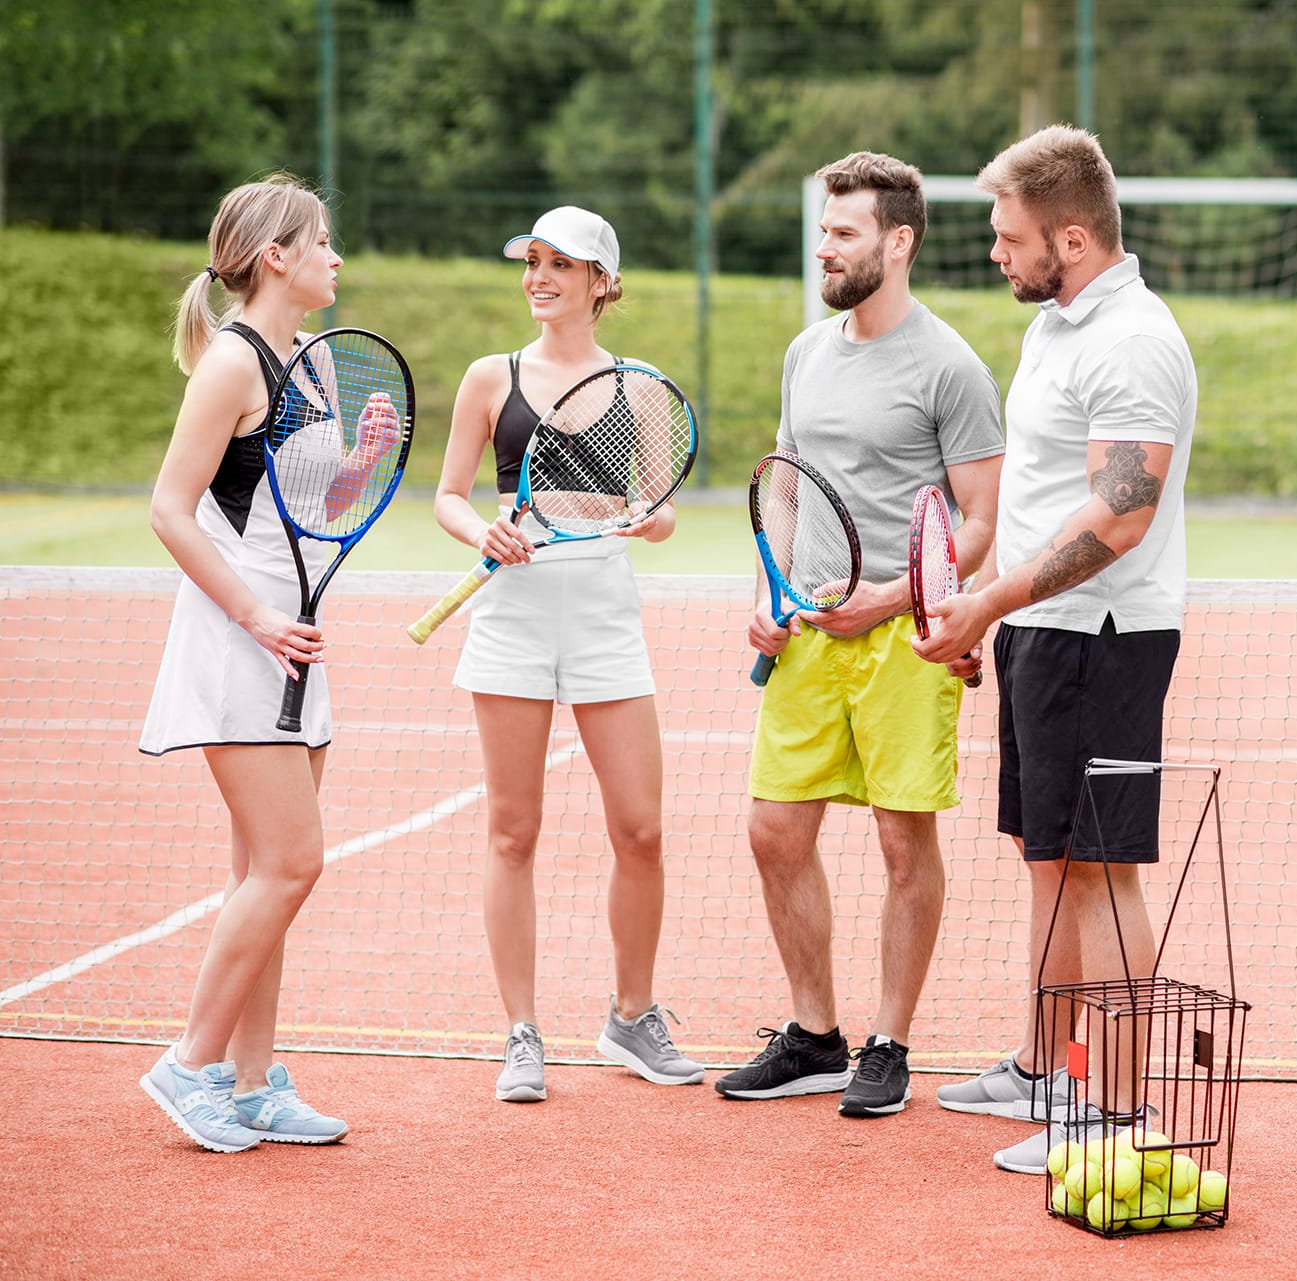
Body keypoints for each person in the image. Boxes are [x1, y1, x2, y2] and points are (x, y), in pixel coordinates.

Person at [912, 125, 1198, 1173]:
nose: (996, 252)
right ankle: (1044, 1067)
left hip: (1103, 636)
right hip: (1045, 626)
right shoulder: (1057, 326)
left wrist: (988, 602)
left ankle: (1115, 1112)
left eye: (1010, 236)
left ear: (1070, 239)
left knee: (1100, 871)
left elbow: (1121, 511)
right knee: (1050, 860)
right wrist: (1001, 611)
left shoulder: (1133, 340)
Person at [719, 151, 1004, 1118]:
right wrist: (772, 591)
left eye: (844, 231)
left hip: (907, 634)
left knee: (898, 839)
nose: (825, 246)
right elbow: (786, 484)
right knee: (773, 831)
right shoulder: (806, 352)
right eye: (824, 228)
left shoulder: (953, 366)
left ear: (899, 240)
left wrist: (891, 597)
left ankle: (890, 1042)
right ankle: (815, 1035)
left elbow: (977, 522)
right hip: (805, 631)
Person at [430, 206, 702, 1102]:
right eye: (532, 262)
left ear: (600, 282)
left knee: (642, 829)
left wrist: (642, 516)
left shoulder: (641, 388)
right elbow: (448, 496)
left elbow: (658, 511)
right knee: (513, 830)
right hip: (509, 617)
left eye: (559, 264)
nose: (539, 276)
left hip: (604, 618)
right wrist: (485, 530)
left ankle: (632, 1014)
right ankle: (522, 1033)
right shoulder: (488, 378)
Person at [139, 174, 388, 1150]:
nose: (336, 256)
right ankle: (186, 1066)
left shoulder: (314, 367)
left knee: (265, 871)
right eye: (321, 241)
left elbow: (310, 509)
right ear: (276, 256)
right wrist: (252, 618)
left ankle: (252, 1085)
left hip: (295, 642)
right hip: (239, 645)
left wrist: (361, 462)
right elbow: (169, 507)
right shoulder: (231, 364)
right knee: (294, 862)